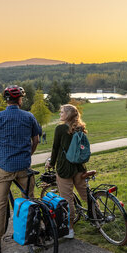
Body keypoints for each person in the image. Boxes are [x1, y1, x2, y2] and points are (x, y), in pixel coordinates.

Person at [0, 85, 42, 253]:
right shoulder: (29, 116)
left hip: (4, 167)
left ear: (6, 100)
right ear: (20, 100)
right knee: (30, 200)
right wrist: (28, 154)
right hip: (24, 167)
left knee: (0, 204)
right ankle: (35, 234)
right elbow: (35, 140)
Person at [45, 103, 87, 240]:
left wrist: (51, 163)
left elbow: (55, 148)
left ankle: (69, 229)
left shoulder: (61, 129)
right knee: (86, 194)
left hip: (65, 168)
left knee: (67, 199)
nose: (60, 114)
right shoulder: (80, 128)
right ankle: (98, 217)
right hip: (79, 167)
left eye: (62, 112)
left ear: (68, 115)